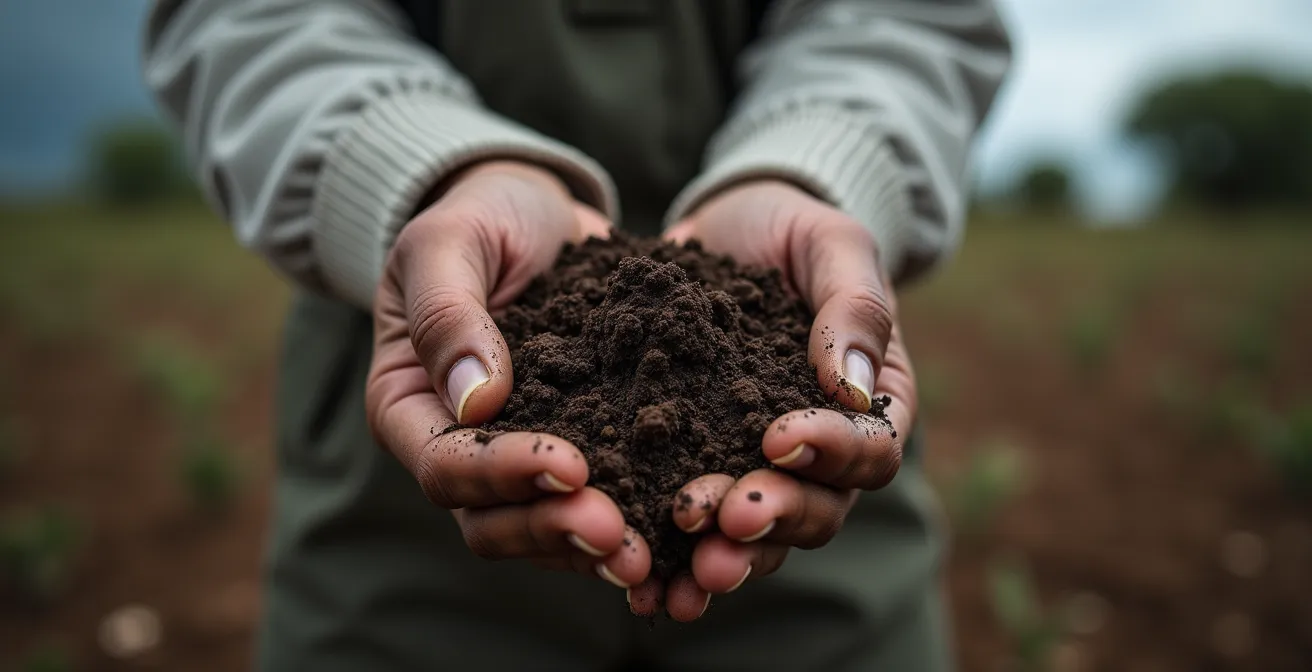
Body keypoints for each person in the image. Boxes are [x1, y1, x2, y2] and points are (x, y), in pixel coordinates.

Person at [144, 1, 1011, 669]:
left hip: (825, 545)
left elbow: (912, 17)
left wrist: (819, 167)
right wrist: (426, 172)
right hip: (396, 521)